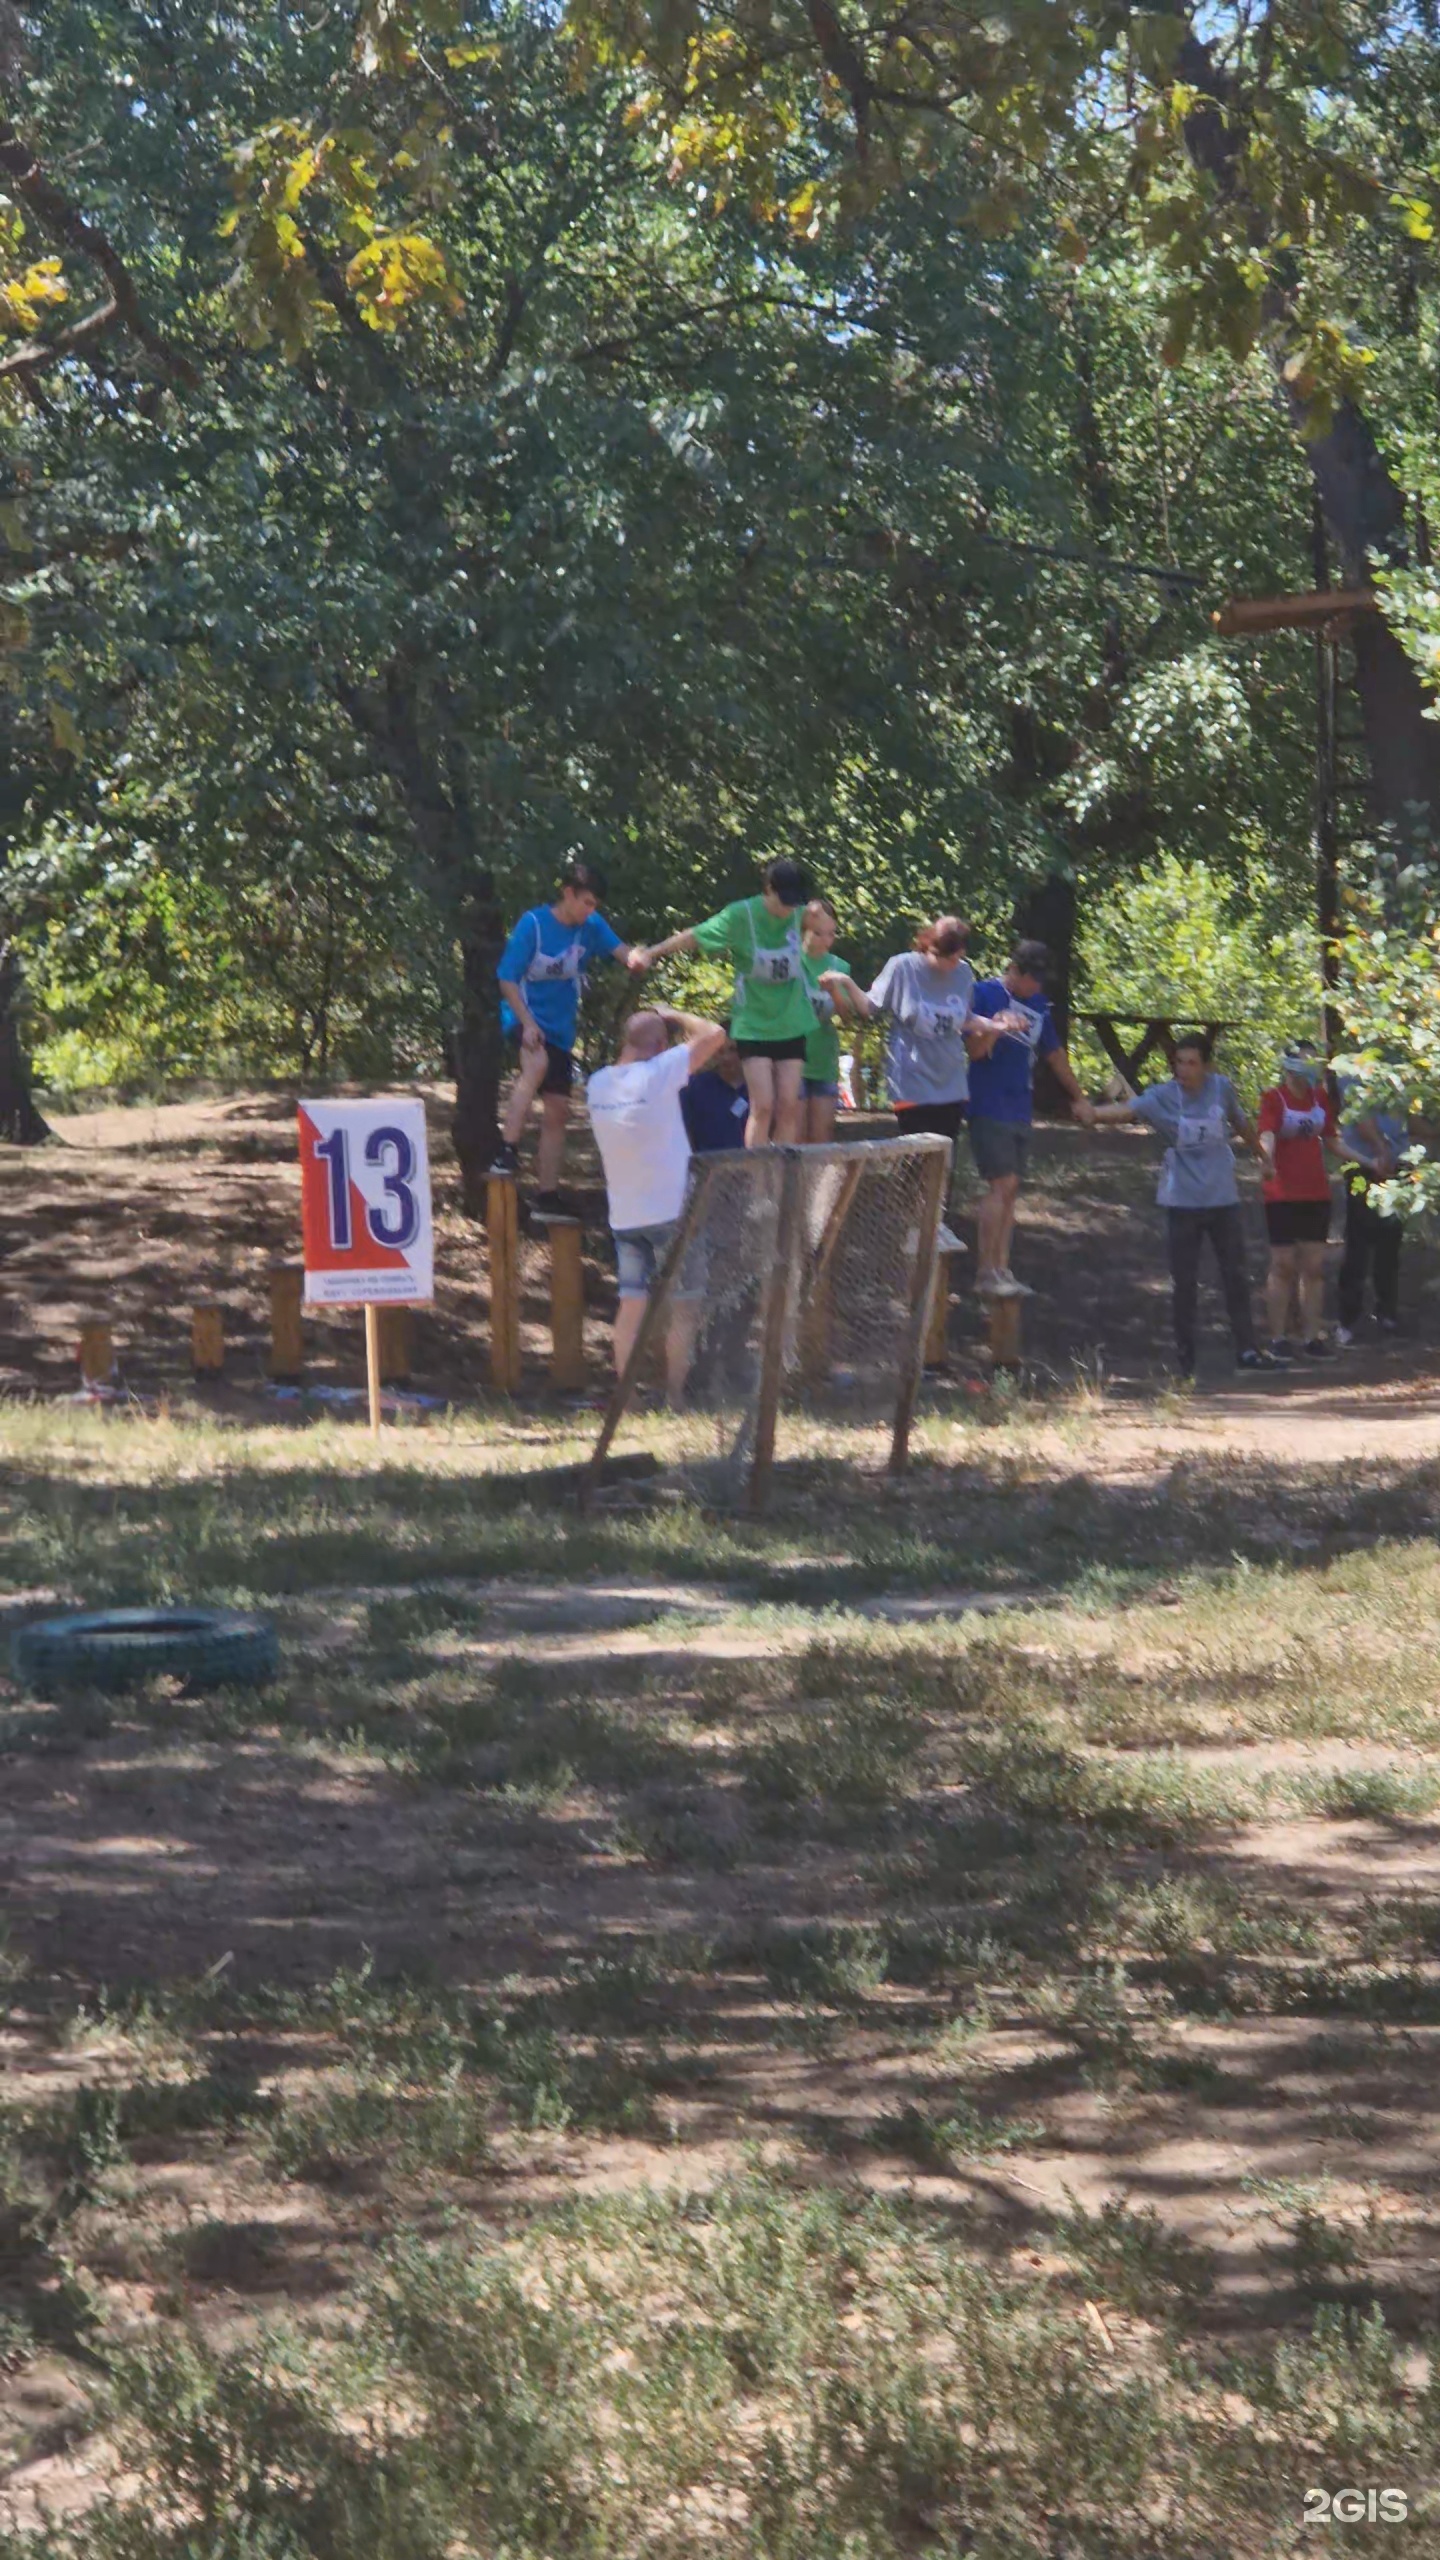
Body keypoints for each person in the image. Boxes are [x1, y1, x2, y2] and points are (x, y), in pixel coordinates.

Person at [1081, 1033, 1283, 1379]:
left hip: (1223, 1199)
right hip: (1182, 1203)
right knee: (1185, 1283)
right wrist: (1093, 1114)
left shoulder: (1221, 1088)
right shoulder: (1163, 1096)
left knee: (1235, 1275)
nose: (1183, 1070)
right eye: (1179, 1062)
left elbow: (1242, 1124)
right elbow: (1128, 1109)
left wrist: (1262, 1158)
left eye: (1191, 1063)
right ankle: (1186, 1360)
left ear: (1207, 1065)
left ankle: (1248, 1351)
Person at [491, 852, 648, 1213]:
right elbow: (506, 979)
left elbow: (623, 952)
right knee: (536, 1065)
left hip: (560, 1029)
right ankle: (507, 1150)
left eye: (595, 904)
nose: (590, 910)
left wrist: (637, 958)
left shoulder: (591, 926)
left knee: (559, 1109)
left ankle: (547, 1195)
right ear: (568, 893)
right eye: (586, 902)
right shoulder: (533, 924)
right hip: (523, 1015)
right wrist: (527, 1024)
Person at [585, 1005, 727, 1398]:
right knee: (685, 1308)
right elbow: (715, 1034)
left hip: (625, 1217)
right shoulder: (661, 1072)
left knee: (630, 1309)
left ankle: (626, 1401)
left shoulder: (597, 1084)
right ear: (662, 1045)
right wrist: (675, 1014)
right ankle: (675, 1398)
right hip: (674, 1213)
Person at [631, 858, 815, 1146]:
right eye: (784, 900)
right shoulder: (741, 916)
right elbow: (695, 936)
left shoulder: (801, 913)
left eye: (796, 902)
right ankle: (758, 1182)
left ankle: (782, 1181)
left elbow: (825, 922)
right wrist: (651, 953)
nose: (790, 908)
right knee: (763, 1105)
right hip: (754, 1023)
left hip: (792, 1020)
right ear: (768, 889)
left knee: (789, 1105)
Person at [964, 940, 1089, 1297]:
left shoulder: (1039, 1005)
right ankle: (984, 1271)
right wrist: (997, 1027)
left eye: (1040, 982)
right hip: (988, 1104)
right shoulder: (984, 994)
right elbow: (973, 1053)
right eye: (1030, 980)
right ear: (1014, 970)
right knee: (1000, 1185)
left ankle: (1002, 1269)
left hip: (1021, 1105)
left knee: (1012, 1189)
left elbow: (1054, 1054)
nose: (1035, 988)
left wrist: (1078, 1096)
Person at [824, 916, 974, 1154]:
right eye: (943, 957)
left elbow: (965, 1019)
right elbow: (867, 1007)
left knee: (945, 1163)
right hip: (912, 1081)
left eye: (956, 957)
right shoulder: (902, 967)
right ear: (929, 946)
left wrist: (998, 1024)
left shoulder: (964, 973)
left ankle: (941, 1194)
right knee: (916, 1160)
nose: (950, 964)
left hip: (952, 1083)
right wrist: (845, 982)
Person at [1256, 1042, 1345, 1359]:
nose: (1308, 1067)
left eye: (1312, 1061)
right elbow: (1265, 1134)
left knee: (1314, 1268)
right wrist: (1266, 1160)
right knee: (1282, 1266)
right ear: (1288, 1064)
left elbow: (1332, 1139)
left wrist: (1368, 1160)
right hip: (1281, 1193)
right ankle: (1278, 1338)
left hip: (1316, 1192)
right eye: (1302, 1061)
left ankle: (1312, 1337)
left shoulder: (1320, 1098)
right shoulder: (1273, 1098)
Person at [1336, 1084, 1408, 1343]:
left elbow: (1412, 1116)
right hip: (1364, 1165)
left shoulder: (1404, 1065)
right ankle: (1348, 1319)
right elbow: (1361, 1116)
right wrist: (1380, 1151)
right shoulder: (1358, 1070)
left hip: (1399, 1166)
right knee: (1359, 1241)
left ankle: (1387, 1312)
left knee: (1391, 1238)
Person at [799, 897, 854, 1143]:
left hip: (823, 1062)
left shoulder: (839, 966)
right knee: (793, 1140)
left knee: (820, 1142)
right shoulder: (788, 962)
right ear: (803, 930)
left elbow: (847, 1018)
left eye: (832, 934)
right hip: (791, 1062)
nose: (826, 941)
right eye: (819, 933)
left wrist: (834, 991)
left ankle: (817, 1184)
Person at [681, 1038, 750, 1155]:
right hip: (708, 1167)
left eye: (733, 1050)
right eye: (720, 1051)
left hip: (753, 1165)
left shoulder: (760, 1089)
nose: (726, 1058)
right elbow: (684, 1132)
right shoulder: (694, 1087)